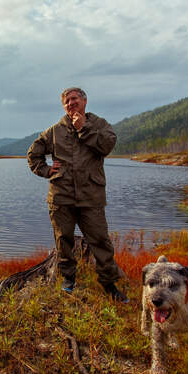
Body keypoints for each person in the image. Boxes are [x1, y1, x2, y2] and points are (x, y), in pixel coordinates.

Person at [27, 87, 128, 302]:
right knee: (63, 240)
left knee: (100, 241)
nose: (70, 103)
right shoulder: (55, 131)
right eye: (66, 101)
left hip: (91, 197)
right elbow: (33, 154)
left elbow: (107, 146)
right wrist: (46, 170)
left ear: (84, 101)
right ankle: (68, 279)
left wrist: (84, 128)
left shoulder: (99, 125)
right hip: (61, 197)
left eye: (74, 99)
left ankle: (109, 284)